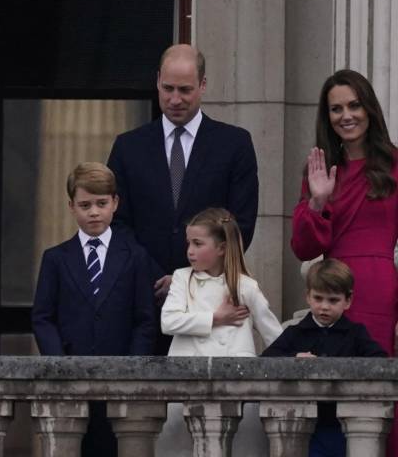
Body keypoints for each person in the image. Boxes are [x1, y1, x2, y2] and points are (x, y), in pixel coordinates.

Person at [107, 44, 258, 354]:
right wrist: (154, 276)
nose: (175, 99)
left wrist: (188, 278)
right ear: (157, 81)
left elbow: (240, 224)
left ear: (203, 85)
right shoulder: (128, 147)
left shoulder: (234, 144)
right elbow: (117, 223)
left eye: (185, 90)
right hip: (143, 300)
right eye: (168, 88)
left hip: (211, 303)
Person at [291, 69, 398, 456]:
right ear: (327, 116)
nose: (346, 115)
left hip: (382, 291)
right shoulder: (319, 171)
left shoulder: (395, 164)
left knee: (380, 397)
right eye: (336, 108)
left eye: (354, 105)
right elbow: (303, 248)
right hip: (335, 292)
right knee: (338, 400)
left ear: (369, 109)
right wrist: (318, 201)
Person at [32, 162, 155, 457]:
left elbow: (145, 319)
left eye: (101, 203)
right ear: (71, 206)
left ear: (115, 203)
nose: (94, 212)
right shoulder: (56, 258)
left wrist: (133, 368)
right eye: (85, 205)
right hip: (70, 378)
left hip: (121, 378)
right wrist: (59, 364)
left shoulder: (135, 256)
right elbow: (43, 317)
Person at [158, 208, 281, 456]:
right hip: (184, 383)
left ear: (222, 248)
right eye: (189, 243)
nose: (190, 251)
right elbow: (168, 322)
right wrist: (215, 318)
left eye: (198, 243)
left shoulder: (246, 287)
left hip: (236, 386)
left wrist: (298, 357)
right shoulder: (182, 279)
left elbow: (274, 334)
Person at [263, 259, 386, 457]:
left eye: (333, 300)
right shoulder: (296, 332)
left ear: (348, 300)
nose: (324, 307)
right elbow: (266, 359)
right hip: (303, 424)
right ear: (308, 297)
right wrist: (294, 357)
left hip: (342, 424)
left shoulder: (355, 333)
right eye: (318, 298)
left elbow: (379, 360)